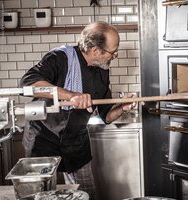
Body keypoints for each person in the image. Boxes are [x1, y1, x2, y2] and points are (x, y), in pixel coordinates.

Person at [19, 22, 136, 200]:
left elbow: (106, 115)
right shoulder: (60, 57)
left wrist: (122, 107)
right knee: (39, 196)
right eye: (113, 52)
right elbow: (27, 83)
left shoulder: (102, 71)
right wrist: (70, 95)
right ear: (96, 50)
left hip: (76, 144)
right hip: (43, 141)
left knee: (86, 194)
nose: (115, 56)